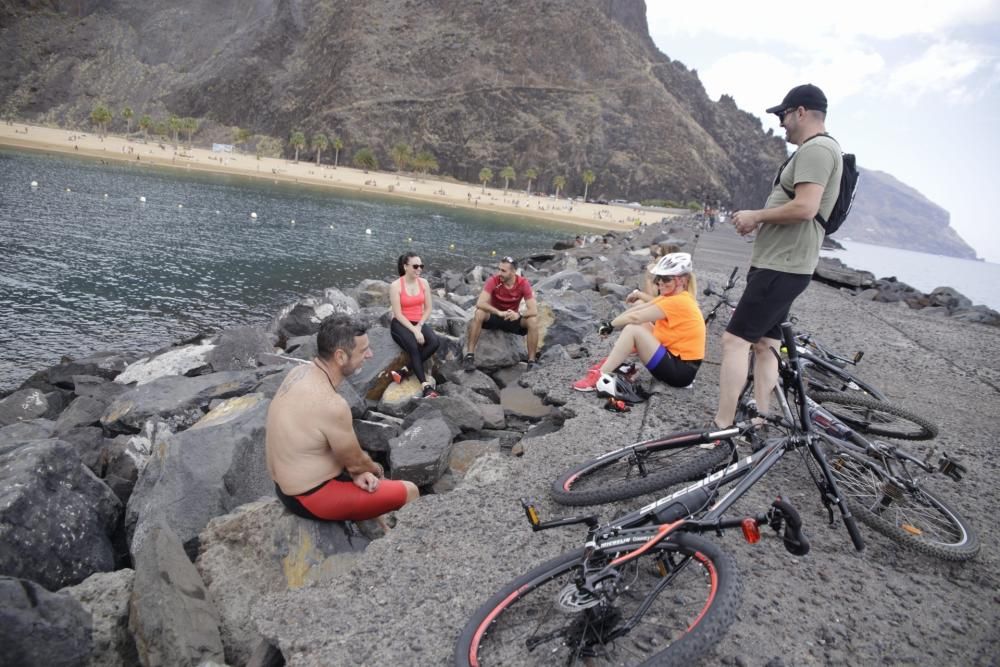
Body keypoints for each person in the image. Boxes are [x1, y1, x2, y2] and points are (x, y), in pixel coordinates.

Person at [713, 83, 843, 429]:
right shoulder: (820, 150)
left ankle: (723, 428)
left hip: (781, 266)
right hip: (786, 264)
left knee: (734, 340)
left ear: (801, 111)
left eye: (783, 115)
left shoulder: (816, 151)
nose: (781, 123)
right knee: (766, 344)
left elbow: (805, 207)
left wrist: (756, 216)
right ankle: (759, 418)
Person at [266, 314, 419, 524]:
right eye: (364, 351)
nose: (371, 355)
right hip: (309, 497)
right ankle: (404, 552)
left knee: (365, 479)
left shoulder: (298, 372)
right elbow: (356, 461)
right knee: (410, 490)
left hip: (284, 485)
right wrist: (376, 471)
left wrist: (358, 472)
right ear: (340, 356)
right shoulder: (332, 404)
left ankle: (380, 527)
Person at [573, 253, 705, 396]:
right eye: (658, 278)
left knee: (633, 329)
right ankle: (613, 362)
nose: (660, 282)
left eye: (666, 278)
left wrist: (610, 325)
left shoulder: (679, 301)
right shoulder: (673, 296)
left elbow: (636, 317)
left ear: (682, 280)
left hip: (680, 373)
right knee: (640, 326)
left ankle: (600, 376)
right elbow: (639, 308)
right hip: (676, 363)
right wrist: (608, 323)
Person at [463, 256, 539, 370]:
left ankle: (531, 362)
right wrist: (498, 312)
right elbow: (480, 303)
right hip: (495, 316)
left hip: (512, 318)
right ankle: (469, 356)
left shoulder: (523, 283)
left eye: (503, 271)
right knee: (479, 313)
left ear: (513, 271)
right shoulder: (494, 280)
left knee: (532, 321)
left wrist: (519, 315)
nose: (499, 273)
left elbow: (534, 310)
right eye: (499, 269)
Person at [388, 252, 440, 398]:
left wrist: (419, 326)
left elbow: (428, 308)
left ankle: (404, 370)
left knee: (434, 342)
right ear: (405, 267)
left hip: (418, 321)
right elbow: (398, 314)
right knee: (414, 346)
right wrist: (415, 331)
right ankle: (426, 387)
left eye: (421, 266)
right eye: (415, 266)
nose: (419, 269)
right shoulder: (396, 286)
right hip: (400, 323)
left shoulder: (424, 283)